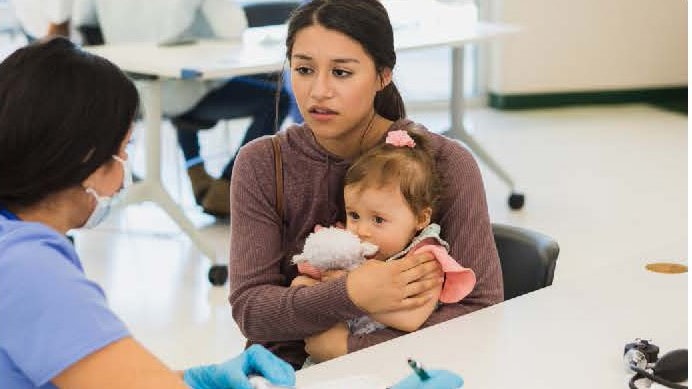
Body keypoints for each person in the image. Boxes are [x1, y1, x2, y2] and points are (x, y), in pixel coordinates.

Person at [0, 37, 295, 389]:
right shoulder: (30, 268)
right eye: (125, 149)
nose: (125, 173)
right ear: (88, 158)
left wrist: (192, 378)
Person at [229, 0, 503, 371]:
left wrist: (351, 347)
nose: (318, 91)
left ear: (383, 74)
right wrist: (353, 293)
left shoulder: (444, 162)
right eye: (304, 69)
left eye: (341, 73)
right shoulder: (262, 163)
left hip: (408, 374)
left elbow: (480, 311)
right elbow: (253, 313)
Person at [93, 0, 290, 217]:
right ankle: (228, 185)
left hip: (132, 84)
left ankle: (195, 169)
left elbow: (89, 25)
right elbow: (232, 28)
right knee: (277, 99)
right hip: (182, 89)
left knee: (189, 77)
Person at [292, 127, 477, 340]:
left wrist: (354, 294)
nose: (361, 230)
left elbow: (411, 320)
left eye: (378, 220)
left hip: (393, 356)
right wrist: (317, 289)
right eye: (353, 215)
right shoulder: (349, 250)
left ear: (420, 218)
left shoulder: (425, 258)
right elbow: (301, 285)